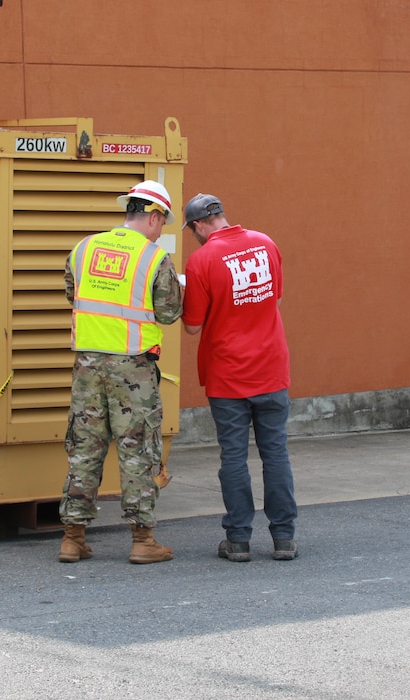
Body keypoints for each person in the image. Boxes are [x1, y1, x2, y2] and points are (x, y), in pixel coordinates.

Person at [58, 180, 183, 565]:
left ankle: (72, 538)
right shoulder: (153, 258)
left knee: (85, 447)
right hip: (133, 369)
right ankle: (143, 540)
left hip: (88, 367)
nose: (161, 231)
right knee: (137, 451)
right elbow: (167, 313)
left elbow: (70, 292)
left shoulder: (84, 248)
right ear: (153, 216)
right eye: (162, 223)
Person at [179, 193, 298, 563]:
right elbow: (274, 300)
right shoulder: (266, 244)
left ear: (199, 225)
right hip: (271, 368)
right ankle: (283, 539)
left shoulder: (201, 260)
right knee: (275, 453)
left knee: (233, 456)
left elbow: (193, 327)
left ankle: (239, 540)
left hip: (228, 374)